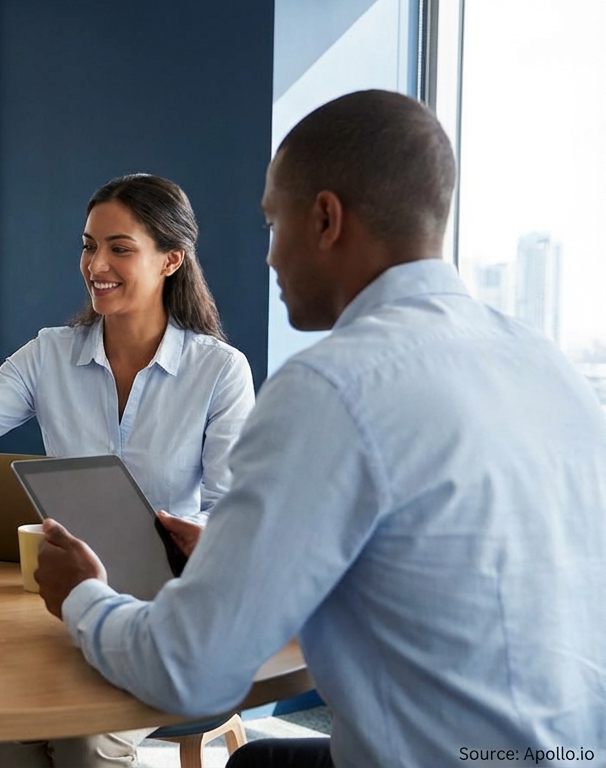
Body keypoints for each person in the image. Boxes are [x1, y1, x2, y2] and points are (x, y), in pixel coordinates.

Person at [35, 89, 606, 768]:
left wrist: (81, 595)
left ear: (326, 219)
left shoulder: (331, 387)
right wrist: (236, 551)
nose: (271, 258)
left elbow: (190, 670)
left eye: (275, 224)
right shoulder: (548, 365)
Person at [0, 174, 256, 768]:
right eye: (89, 245)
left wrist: (196, 538)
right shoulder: (50, 354)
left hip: (168, 609)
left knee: (85, 737)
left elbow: (229, 507)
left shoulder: (218, 371)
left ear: (171, 260)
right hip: (64, 598)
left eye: (120, 247)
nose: (96, 264)